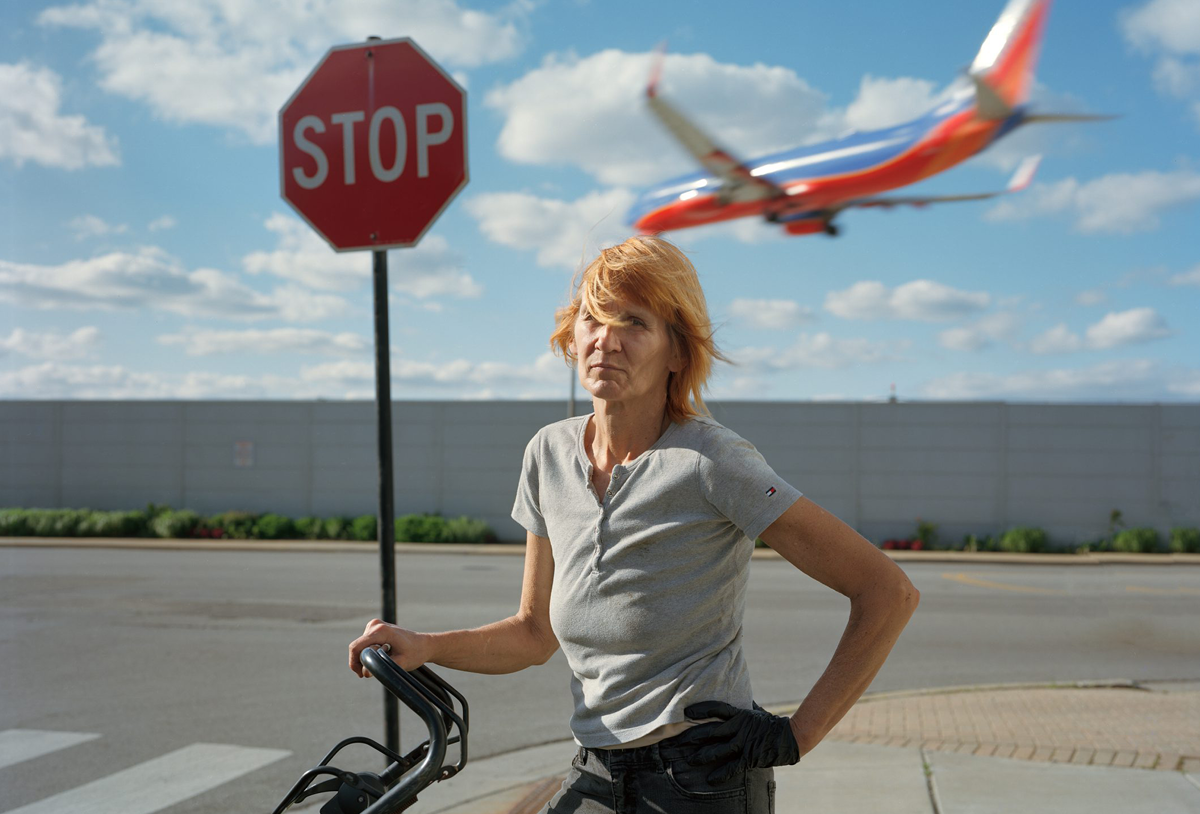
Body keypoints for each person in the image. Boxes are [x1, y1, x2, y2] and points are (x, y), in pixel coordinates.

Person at [349, 235, 920, 813]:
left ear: (678, 352)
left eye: (634, 322)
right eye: (593, 318)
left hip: (701, 780)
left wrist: (797, 735)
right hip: (595, 768)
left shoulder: (713, 462)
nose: (607, 339)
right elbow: (532, 633)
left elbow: (887, 592)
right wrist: (424, 645)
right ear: (573, 336)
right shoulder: (546, 455)